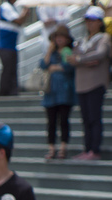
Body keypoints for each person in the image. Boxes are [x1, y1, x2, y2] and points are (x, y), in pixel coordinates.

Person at [70, 7, 112, 161]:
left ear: (100, 22)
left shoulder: (104, 37)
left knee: (94, 117)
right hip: (81, 84)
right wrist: (86, 60)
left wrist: (81, 60)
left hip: (96, 83)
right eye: (88, 20)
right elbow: (73, 57)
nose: (90, 24)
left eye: (93, 20)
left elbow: (100, 54)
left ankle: (95, 149)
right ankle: (87, 148)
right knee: (86, 118)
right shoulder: (82, 40)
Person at [40, 25, 77, 161]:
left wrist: (56, 67)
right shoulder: (52, 53)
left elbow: (70, 67)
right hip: (51, 92)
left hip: (65, 91)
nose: (59, 39)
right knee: (51, 121)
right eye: (57, 37)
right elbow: (43, 65)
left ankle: (63, 147)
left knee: (64, 120)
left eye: (62, 37)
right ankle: (51, 148)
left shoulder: (69, 51)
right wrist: (49, 51)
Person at [0, 0, 30, 97]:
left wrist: (25, 14)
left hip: (11, 47)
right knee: (7, 70)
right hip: (5, 46)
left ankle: (13, 92)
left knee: (12, 70)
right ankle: (4, 94)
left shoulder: (13, 8)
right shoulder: (6, 6)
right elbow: (18, 21)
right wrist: (25, 11)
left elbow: (20, 21)